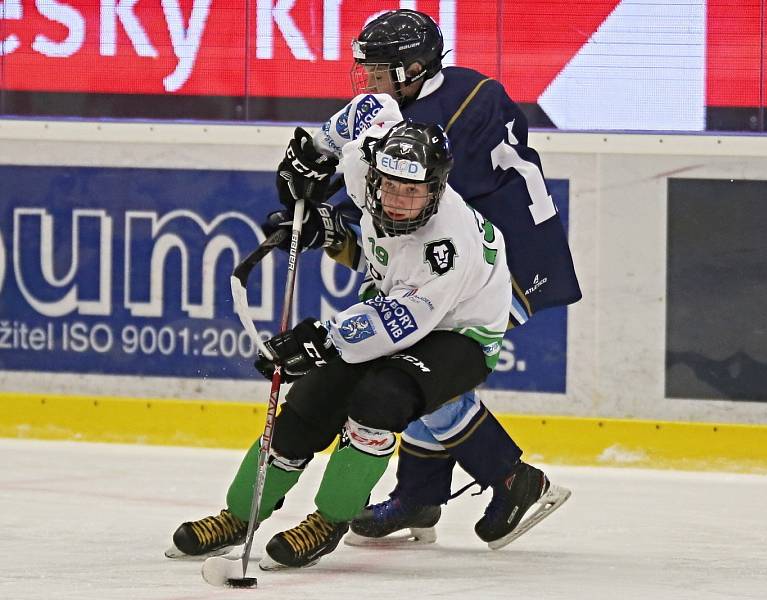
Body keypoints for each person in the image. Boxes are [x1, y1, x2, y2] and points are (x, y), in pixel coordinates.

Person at [164, 8, 578, 562]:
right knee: (391, 384)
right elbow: (363, 131)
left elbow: (403, 222)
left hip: (507, 255)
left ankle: (509, 478)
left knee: (409, 381)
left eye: (381, 70)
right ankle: (419, 495)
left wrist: (324, 327)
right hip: (428, 246)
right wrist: (315, 160)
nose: (371, 80)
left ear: (413, 68)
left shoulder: (448, 120)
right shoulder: (399, 119)